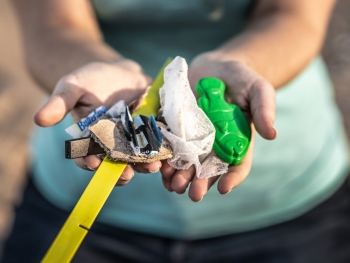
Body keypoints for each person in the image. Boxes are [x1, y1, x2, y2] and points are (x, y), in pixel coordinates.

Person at [2, 0, 350, 262]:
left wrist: (240, 66)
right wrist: (95, 71)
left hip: (292, 205)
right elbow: (52, 24)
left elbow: (294, 15)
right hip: (75, 200)